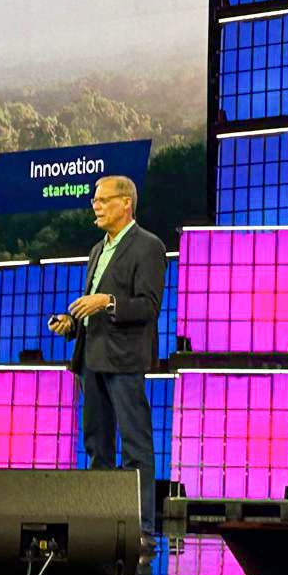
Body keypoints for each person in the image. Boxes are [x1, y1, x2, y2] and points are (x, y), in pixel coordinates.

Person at [47, 174, 167, 546]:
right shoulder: (97, 250)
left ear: (125, 203)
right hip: (92, 358)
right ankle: (100, 523)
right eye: (94, 201)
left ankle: (142, 528)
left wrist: (107, 302)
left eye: (102, 200)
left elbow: (148, 307)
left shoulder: (148, 246)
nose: (94, 206)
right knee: (97, 445)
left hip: (125, 360)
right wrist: (72, 323)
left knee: (135, 445)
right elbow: (91, 309)